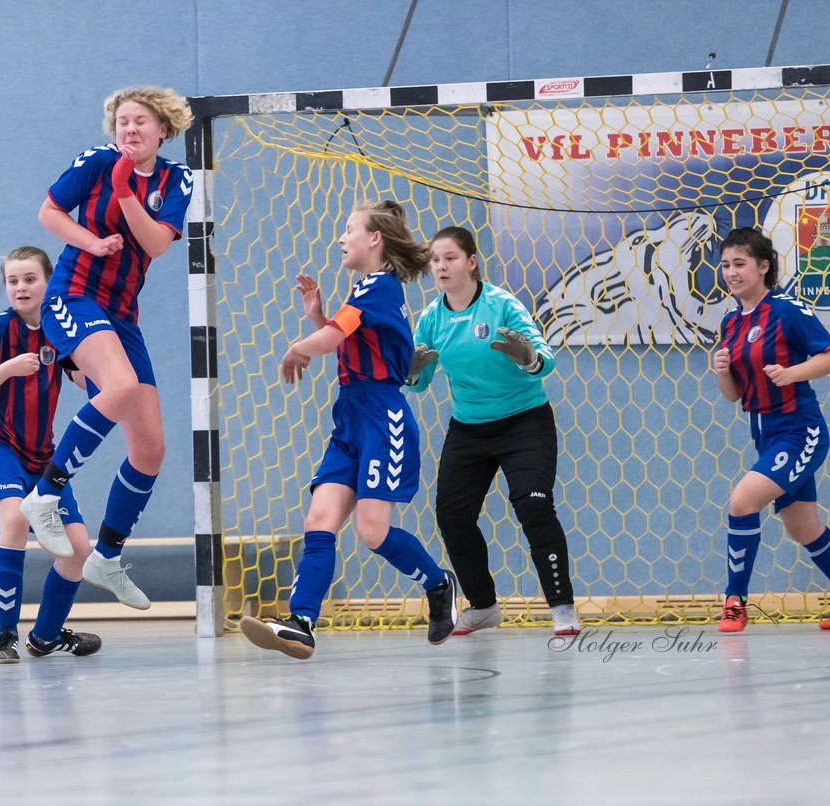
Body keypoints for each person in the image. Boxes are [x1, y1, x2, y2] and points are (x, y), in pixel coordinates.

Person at [238, 201, 457, 660]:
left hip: (383, 418)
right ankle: (301, 623)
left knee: (372, 531)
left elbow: (335, 338)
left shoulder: (379, 287)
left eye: (349, 228)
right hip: (350, 418)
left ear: (374, 238)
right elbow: (344, 336)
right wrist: (317, 317)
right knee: (318, 522)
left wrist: (300, 345)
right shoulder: (363, 290)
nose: (341, 237)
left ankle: (439, 585)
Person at [18, 86, 195, 611]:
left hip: (122, 314)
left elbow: (158, 244)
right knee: (118, 387)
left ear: (163, 129)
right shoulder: (97, 161)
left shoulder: (175, 178)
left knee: (150, 447)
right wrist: (91, 241)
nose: (129, 130)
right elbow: (49, 212)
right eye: (121, 122)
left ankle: (108, 556)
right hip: (74, 296)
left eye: (140, 121)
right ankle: (45, 496)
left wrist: (124, 194)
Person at [405, 226, 580, 637]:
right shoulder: (431, 318)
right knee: (451, 515)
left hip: (525, 422)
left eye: (450, 258)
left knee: (534, 505)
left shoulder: (502, 305)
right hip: (469, 428)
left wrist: (528, 357)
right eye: (435, 260)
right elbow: (418, 383)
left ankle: (563, 607)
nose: (441, 266)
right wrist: (411, 370)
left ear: (471, 261)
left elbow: (547, 360)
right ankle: (483, 606)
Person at [711, 226, 830, 632]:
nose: (732, 273)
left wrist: (791, 373)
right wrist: (720, 372)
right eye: (725, 265)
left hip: (800, 431)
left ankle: (734, 602)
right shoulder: (730, 322)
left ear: (763, 266)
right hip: (764, 434)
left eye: (740, 263)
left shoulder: (787, 310)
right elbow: (734, 396)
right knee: (802, 527)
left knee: (741, 501)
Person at [0, 247, 102, 662]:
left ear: (49, 281)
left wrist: (98, 363)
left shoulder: (62, 328)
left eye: (29, 279)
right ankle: (4, 636)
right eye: (13, 281)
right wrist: (8, 368)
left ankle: (45, 636)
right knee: (14, 520)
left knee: (79, 550)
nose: (20, 287)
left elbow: (81, 380)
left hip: (44, 457)